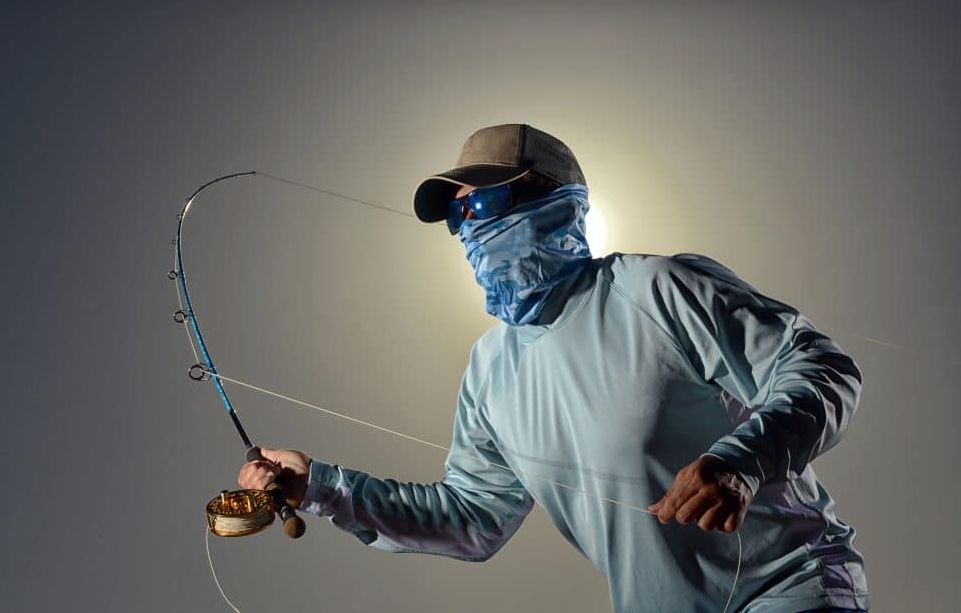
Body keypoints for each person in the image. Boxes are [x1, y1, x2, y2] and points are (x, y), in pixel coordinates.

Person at [238, 124, 869, 612]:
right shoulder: (489, 372)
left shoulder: (656, 287)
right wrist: (319, 486)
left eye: (479, 205)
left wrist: (742, 461)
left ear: (552, 199)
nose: (467, 231)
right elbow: (471, 518)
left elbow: (822, 368)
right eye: (456, 218)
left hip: (793, 588)